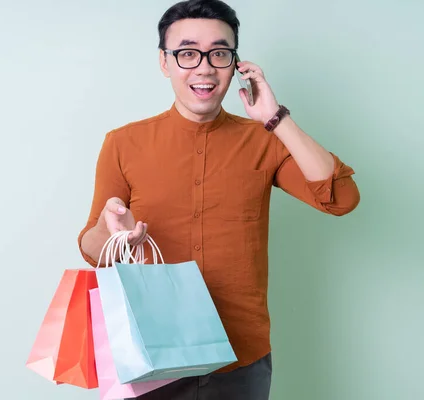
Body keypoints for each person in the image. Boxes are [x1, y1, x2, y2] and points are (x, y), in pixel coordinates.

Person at [78, 0, 360, 398]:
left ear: (236, 63)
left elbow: (341, 198)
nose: (205, 67)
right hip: (151, 354)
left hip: (241, 357)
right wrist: (114, 238)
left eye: (220, 53)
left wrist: (276, 117)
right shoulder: (123, 143)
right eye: (188, 53)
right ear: (165, 62)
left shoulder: (265, 141)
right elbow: (90, 246)